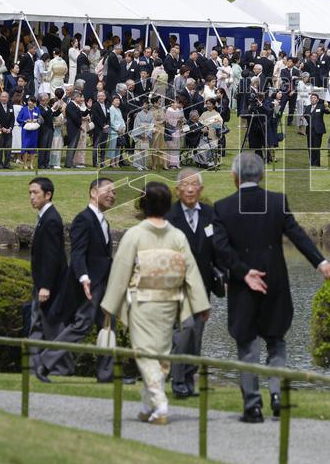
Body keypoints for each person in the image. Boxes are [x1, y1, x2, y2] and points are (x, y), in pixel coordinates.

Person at [212, 153, 330, 423]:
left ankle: (252, 406)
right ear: (262, 175)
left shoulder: (222, 207)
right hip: (274, 280)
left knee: (247, 344)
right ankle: (278, 395)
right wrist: (321, 262)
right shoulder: (277, 201)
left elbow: (220, 248)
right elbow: (298, 236)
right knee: (276, 340)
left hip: (242, 283)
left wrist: (244, 272)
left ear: (234, 178)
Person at [102, 182, 210, 425]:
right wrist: (201, 304)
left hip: (143, 302)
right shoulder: (177, 236)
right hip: (170, 301)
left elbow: (120, 271)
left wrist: (109, 304)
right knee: (160, 354)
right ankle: (146, 405)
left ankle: (160, 405)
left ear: (144, 204)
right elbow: (191, 272)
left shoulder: (135, 235)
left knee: (145, 353)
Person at [43, 178, 116, 383]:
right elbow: (77, 253)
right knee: (82, 324)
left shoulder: (103, 221)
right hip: (90, 284)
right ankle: (46, 362)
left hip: (103, 283)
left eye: (115, 192)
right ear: (93, 192)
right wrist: (83, 277)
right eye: (108, 190)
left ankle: (106, 374)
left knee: (108, 326)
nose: (113, 195)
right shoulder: (83, 219)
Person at [167, 169, 223, 398]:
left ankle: (189, 378)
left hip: (202, 284)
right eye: (185, 185)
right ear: (178, 189)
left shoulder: (211, 214)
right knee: (184, 329)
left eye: (194, 185)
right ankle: (177, 379)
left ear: (200, 189)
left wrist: (224, 274)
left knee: (196, 334)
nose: (189, 189)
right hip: (176, 285)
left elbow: (219, 249)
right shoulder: (169, 217)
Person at [28, 178, 68, 383]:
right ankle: (35, 367)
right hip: (43, 283)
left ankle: (59, 368)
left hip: (48, 285)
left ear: (48, 194)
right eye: (30, 193)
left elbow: (53, 256)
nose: (32, 197)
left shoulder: (51, 219)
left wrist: (45, 286)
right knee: (37, 325)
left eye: (35, 193)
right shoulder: (45, 216)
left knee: (51, 327)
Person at [304, 92, 329, 166]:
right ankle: (311, 162)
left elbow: (327, 111)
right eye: (311, 98)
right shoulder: (308, 107)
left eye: (314, 98)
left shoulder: (321, 106)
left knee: (316, 146)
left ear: (317, 100)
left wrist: (327, 108)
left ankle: (316, 163)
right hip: (309, 130)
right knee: (310, 146)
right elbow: (305, 115)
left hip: (318, 130)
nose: (312, 99)